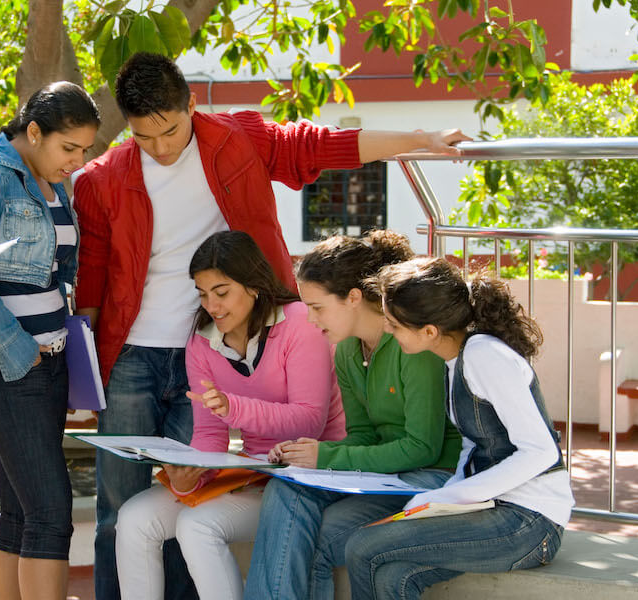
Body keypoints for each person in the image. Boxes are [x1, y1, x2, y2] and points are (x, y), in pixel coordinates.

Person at [72, 50, 470, 600]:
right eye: (144, 137)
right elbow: (91, 278)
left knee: (197, 501)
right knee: (120, 509)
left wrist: (418, 138)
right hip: (134, 356)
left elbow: (320, 145)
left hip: (207, 343)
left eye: (170, 131)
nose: (161, 149)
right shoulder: (102, 178)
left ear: (191, 103)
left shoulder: (239, 139)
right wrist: (83, 371)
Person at [114, 231, 347, 600]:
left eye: (221, 292)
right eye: (203, 294)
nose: (212, 305)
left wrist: (233, 406)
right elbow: (209, 434)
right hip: (250, 475)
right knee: (133, 518)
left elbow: (309, 422)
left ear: (253, 286)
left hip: (303, 480)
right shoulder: (201, 342)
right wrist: (189, 476)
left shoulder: (301, 323)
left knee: (197, 525)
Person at [242, 231, 463, 600]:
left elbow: (423, 448)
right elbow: (362, 434)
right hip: (388, 476)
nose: (311, 320)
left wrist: (325, 456)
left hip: (435, 477)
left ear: (354, 298)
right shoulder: (345, 350)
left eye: (318, 307)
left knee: (314, 538)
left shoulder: (413, 345)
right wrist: (306, 455)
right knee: (287, 486)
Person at [0, 81, 100, 600]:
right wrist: (19, 347)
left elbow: (59, 280)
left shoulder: (54, 186)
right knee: (51, 514)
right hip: (6, 364)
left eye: (85, 151)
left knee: (20, 513)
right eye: (68, 147)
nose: (76, 161)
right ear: (33, 131)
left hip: (48, 364)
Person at [340, 257, 574, 599]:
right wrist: (440, 501)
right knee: (392, 574)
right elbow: (472, 445)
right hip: (495, 511)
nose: (387, 331)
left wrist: (446, 497)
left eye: (393, 324)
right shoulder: (456, 360)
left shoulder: (484, 356)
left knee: (362, 545)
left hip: (530, 523)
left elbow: (541, 451)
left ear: (429, 331)